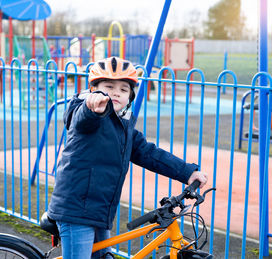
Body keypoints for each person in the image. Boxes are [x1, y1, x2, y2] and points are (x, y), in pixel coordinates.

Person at [48, 57, 208, 259]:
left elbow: (149, 153)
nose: (116, 92)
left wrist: (188, 172)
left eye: (123, 89)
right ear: (93, 89)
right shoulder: (86, 113)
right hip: (76, 211)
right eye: (108, 86)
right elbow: (82, 120)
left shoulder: (123, 127)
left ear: (130, 96)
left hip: (98, 211)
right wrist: (91, 108)